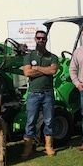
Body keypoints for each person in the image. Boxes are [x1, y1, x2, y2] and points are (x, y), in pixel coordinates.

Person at [22, 30, 59, 158]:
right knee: (30, 121)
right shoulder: (29, 56)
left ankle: (48, 146)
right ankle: (28, 148)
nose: (41, 40)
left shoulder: (52, 56)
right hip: (33, 94)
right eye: (39, 38)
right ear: (35, 39)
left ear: (46, 40)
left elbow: (53, 70)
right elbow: (27, 73)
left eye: (43, 38)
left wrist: (37, 68)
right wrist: (45, 71)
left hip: (48, 93)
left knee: (49, 120)